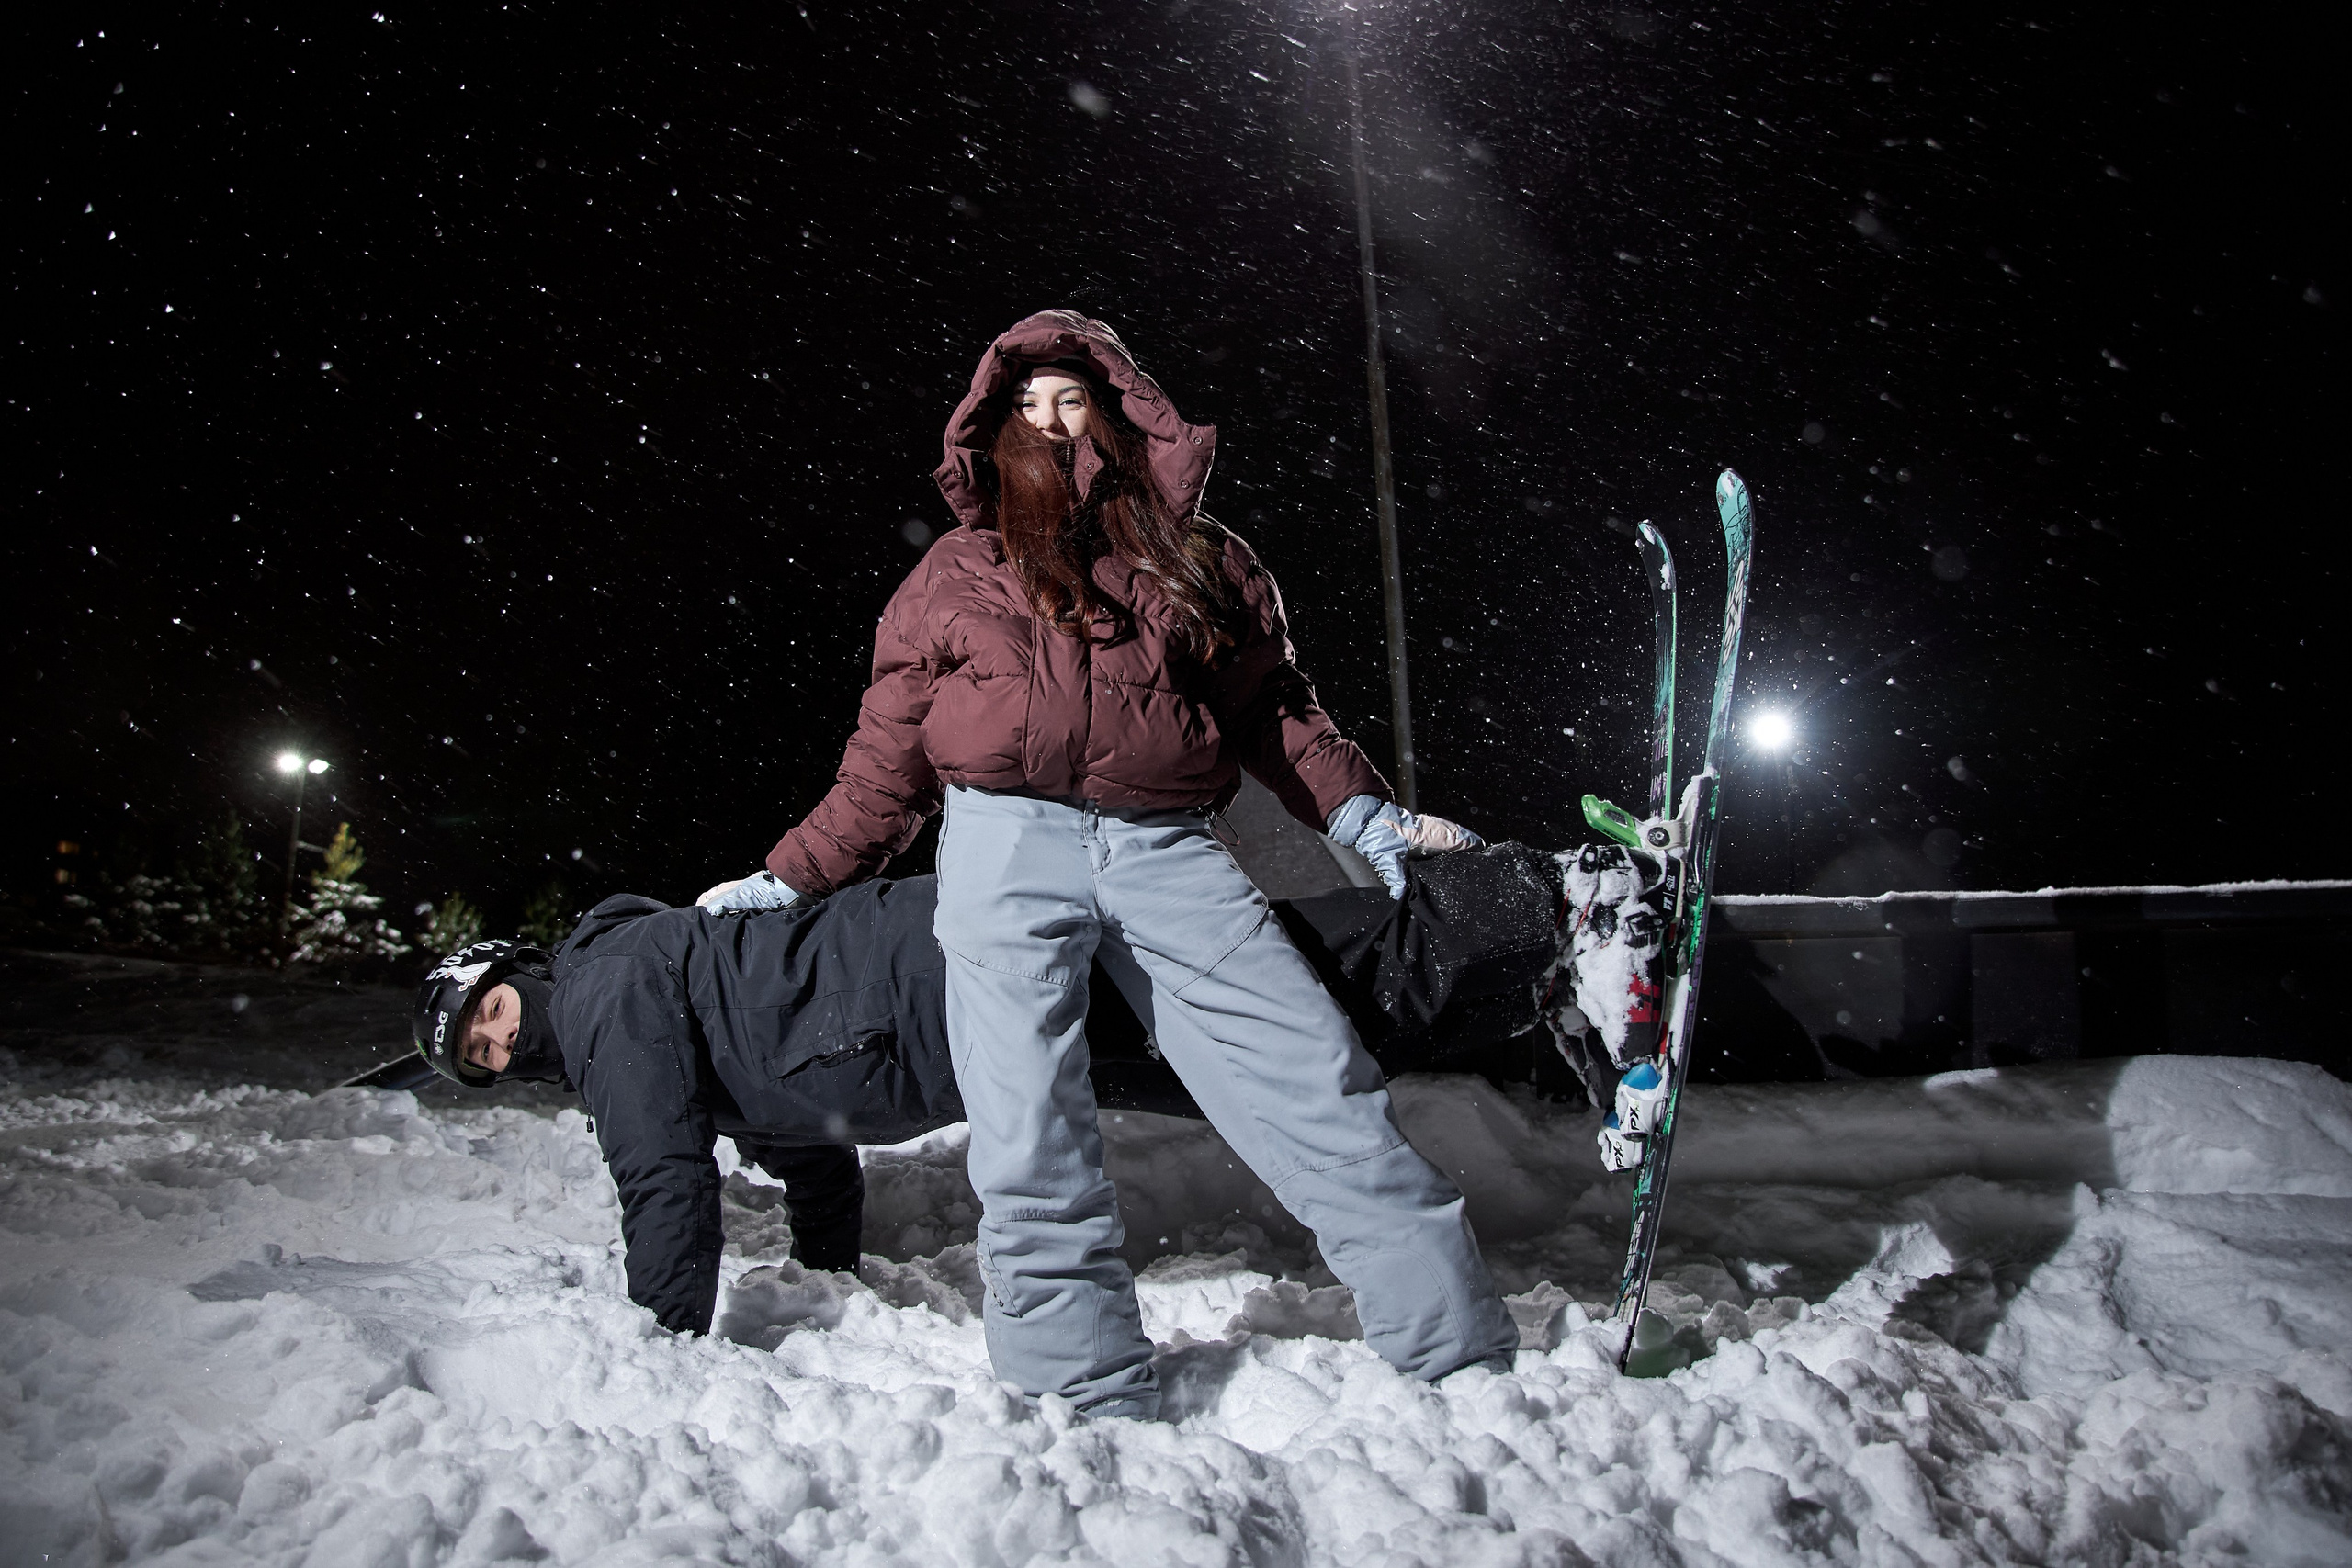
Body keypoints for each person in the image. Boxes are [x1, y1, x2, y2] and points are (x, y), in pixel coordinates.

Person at [690, 310, 1542, 1419]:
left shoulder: (1202, 557)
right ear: (991, 428)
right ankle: (1078, 1393)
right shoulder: (954, 572)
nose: (1049, 423)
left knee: (1315, 1082)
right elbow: (884, 763)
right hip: (1000, 847)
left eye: (1071, 400)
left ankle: (1459, 1356)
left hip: (1169, 847)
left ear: (1119, 410)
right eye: (1027, 405)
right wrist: (795, 875)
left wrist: (1362, 812)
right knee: (1028, 1132)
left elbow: (1276, 714)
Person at [406, 836, 1668, 1343]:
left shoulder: (600, 993)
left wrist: (655, 1340)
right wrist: (829, 1264)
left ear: (518, 973)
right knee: (1241, 1048)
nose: (501, 1043)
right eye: (481, 1055)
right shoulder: (636, 1000)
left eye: (492, 1013)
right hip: (960, 1012)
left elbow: (662, 1179)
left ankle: (1554, 896)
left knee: (1248, 995)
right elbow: (810, 1137)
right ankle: (1541, 966)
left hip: (956, 978)